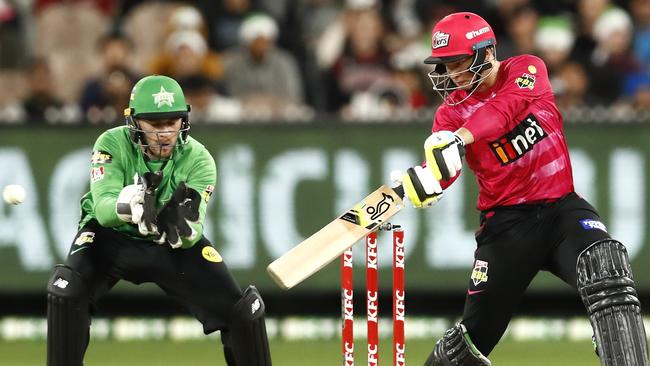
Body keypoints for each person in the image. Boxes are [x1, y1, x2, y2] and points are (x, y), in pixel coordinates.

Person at [390, 12, 648, 365]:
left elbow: (503, 111)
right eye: (445, 65)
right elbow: (445, 170)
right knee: (469, 343)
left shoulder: (526, 69)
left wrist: (459, 138)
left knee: (608, 270)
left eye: (459, 62)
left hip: (562, 210)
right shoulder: (449, 114)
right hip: (506, 227)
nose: (452, 74)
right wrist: (426, 180)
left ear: (486, 52)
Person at [45, 75, 272, 366]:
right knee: (66, 289)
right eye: (155, 123)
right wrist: (129, 207)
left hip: (168, 245)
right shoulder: (111, 143)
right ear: (135, 122)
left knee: (243, 312)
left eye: (171, 122)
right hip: (110, 237)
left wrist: (181, 227)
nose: (164, 133)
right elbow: (102, 209)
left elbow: (193, 224)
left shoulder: (199, 159)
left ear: (184, 120)